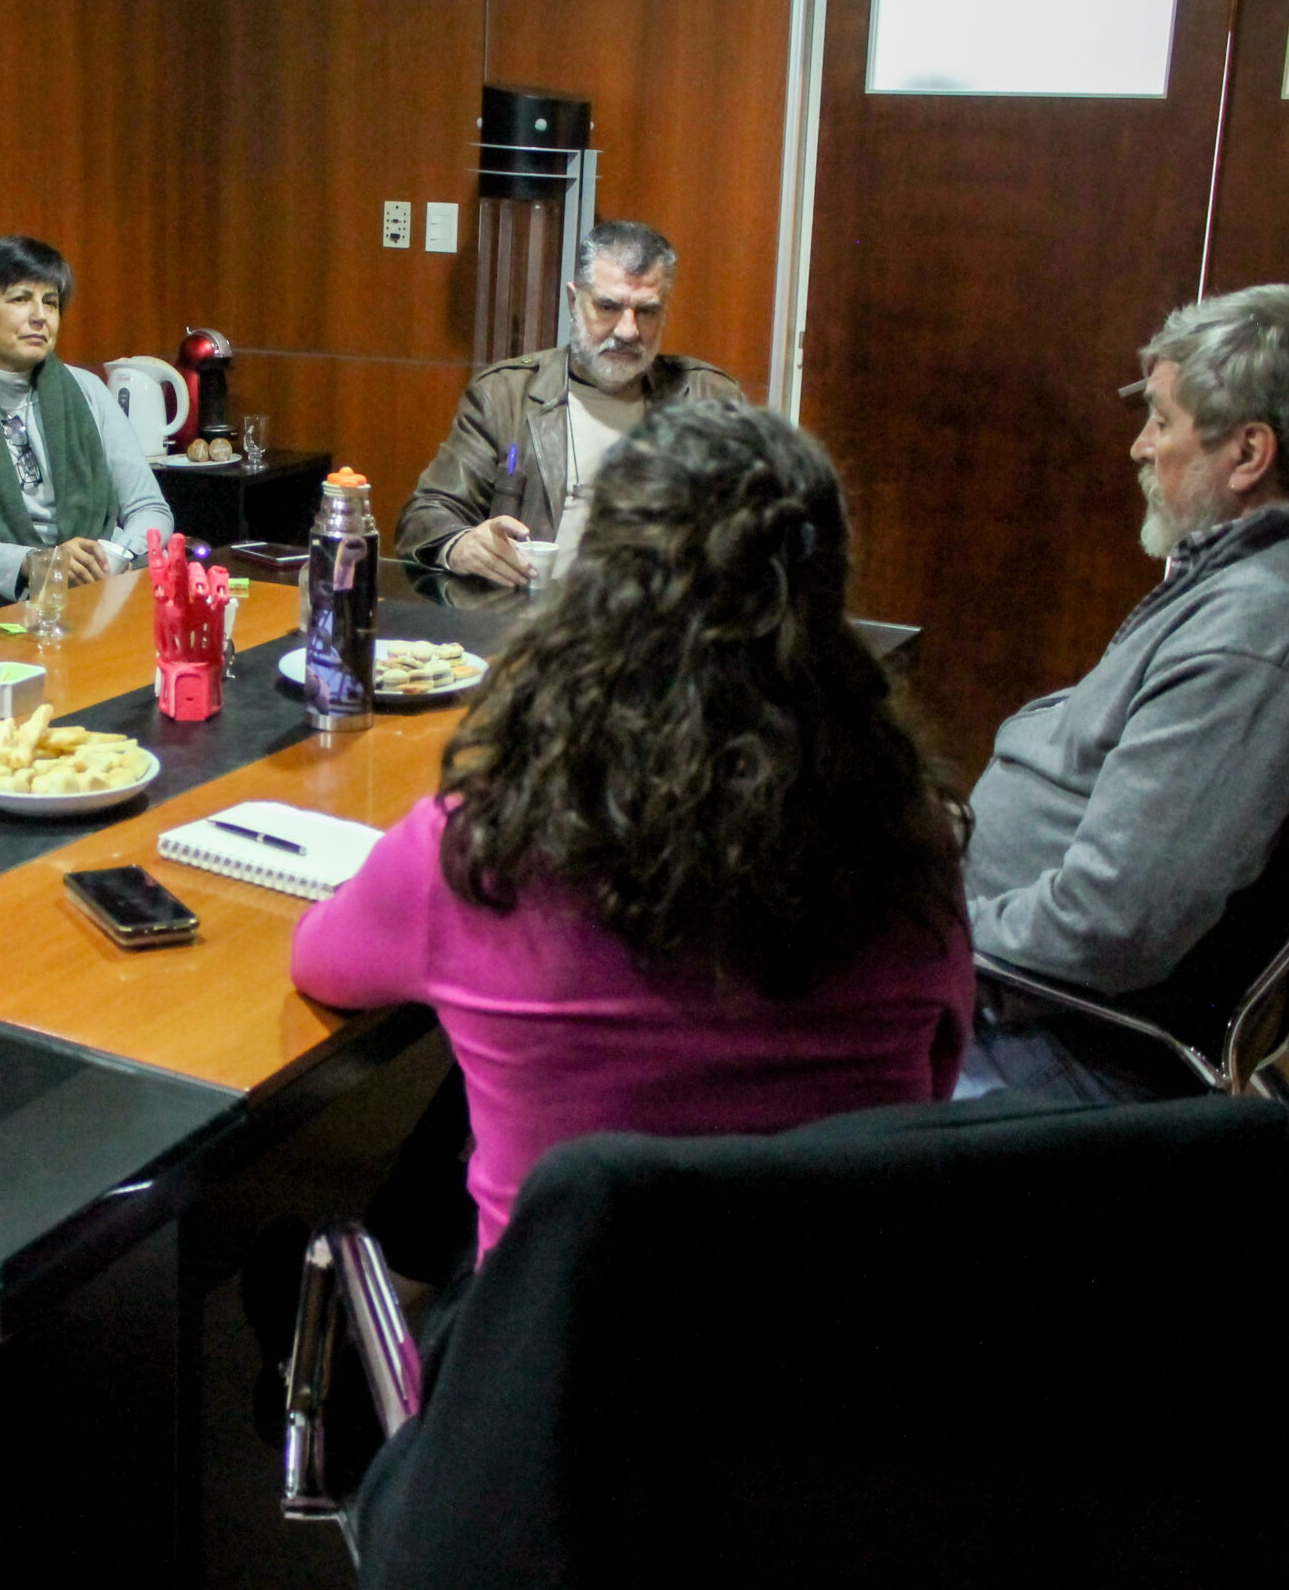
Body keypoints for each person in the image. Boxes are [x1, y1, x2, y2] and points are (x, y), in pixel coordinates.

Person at [293, 402, 974, 1260]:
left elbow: (319, 960)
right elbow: (934, 1084)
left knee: (294, 1266)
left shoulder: (479, 844)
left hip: (554, 1380)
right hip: (829, 1373)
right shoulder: (913, 842)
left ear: (598, 587)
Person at [963, 285, 1289, 1083]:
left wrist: (923, 942)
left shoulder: (1263, 642)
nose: (1140, 447)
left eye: (1162, 419)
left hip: (1043, 1022)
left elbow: (1108, 928)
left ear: (1249, 454)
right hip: (1016, 956)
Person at [395, 219, 745, 587]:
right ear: (573, 301)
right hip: (535, 624)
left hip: (660, 629)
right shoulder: (504, 396)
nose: (628, 331)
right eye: (608, 307)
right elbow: (427, 514)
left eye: (647, 311)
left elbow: (760, 529)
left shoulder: (710, 401)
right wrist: (463, 545)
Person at [0, 235, 173, 601]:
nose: (40, 316)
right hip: (1, 599)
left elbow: (149, 508)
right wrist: (36, 562)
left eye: (50, 303)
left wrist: (115, 556)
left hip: (105, 589)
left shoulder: (87, 390)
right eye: (20, 299)